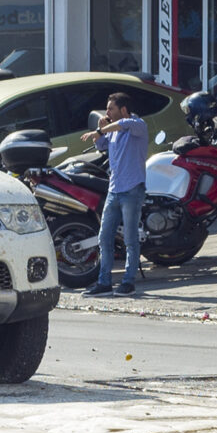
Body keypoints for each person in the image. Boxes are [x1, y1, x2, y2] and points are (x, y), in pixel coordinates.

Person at [84, 91, 149, 296]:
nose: (108, 112)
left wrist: (101, 130)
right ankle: (104, 282)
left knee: (130, 239)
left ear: (123, 109)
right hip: (114, 189)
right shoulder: (110, 130)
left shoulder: (137, 124)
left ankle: (128, 282)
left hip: (132, 189)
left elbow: (124, 125)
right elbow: (101, 145)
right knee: (105, 237)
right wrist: (101, 130)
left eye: (111, 108)